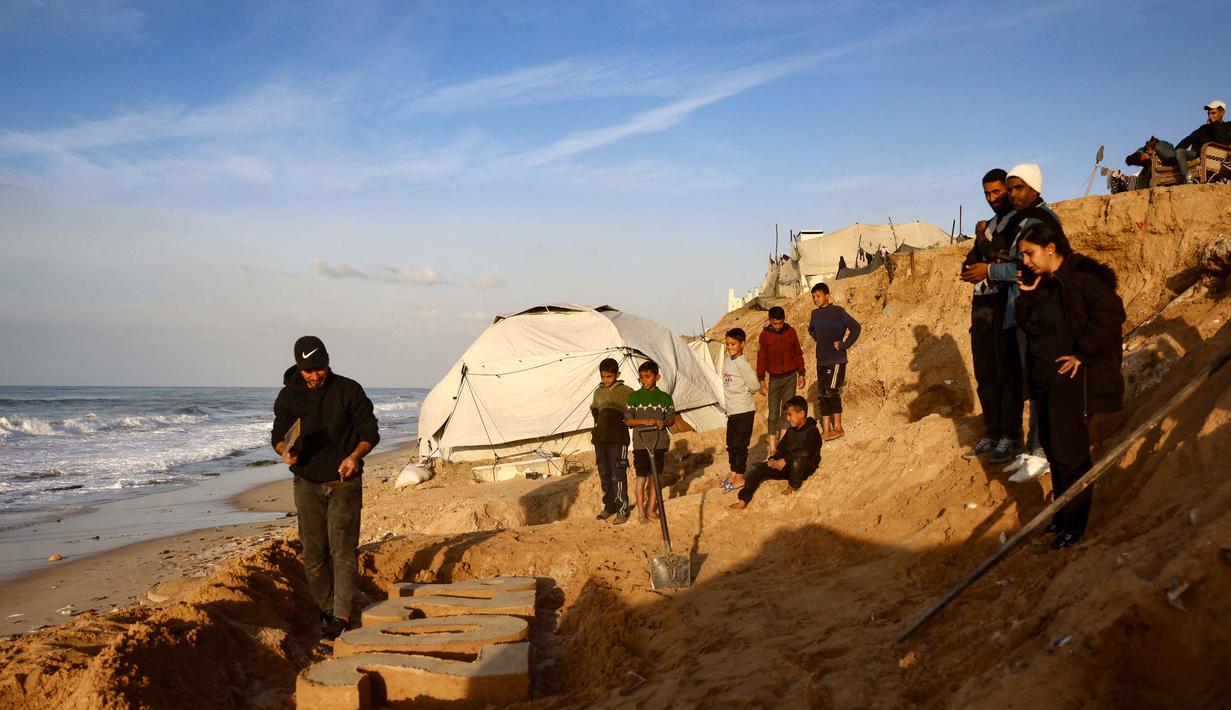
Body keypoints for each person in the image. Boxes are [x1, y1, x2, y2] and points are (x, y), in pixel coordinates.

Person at [1015, 223, 1126, 549]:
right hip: (1047, 382)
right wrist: (1026, 293)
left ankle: (1075, 526)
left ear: (1051, 248)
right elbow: (1030, 326)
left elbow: (1111, 314)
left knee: (1070, 454)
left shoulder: (1081, 278)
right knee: (1052, 447)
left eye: (1029, 252)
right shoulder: (1046, 285)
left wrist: (1081, 353)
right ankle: (1063, 515)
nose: (1026, 260)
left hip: (1074, 384)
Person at [271, 336, 379, 640]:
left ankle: (342, 616)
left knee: (343, 550)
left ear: (328, 361)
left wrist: (354, 456)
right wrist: (284, 450)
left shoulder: (348, 390)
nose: (316, 375)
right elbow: (279, 435)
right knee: (314, 552)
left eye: (320, 368)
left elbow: (370, 431)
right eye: (309, 370)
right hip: (306, 483)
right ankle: (327, 608)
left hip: (344, 481)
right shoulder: (288, 396)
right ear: (298, 367)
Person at [983, 163, 1060, 474]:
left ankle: (1043, 451)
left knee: (1042, 383)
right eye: (1010, 188)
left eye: (1018, 188)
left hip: (1038, 311)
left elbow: (1028, 268)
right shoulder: (1026, 221)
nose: (1012, 194)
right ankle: (1032, 447)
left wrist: (988, 270)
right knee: (1032, 381)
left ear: (1034, 189)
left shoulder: (1041, 221)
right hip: (1023, 311)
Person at [959, 169, 1024, 461]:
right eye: (987, 193)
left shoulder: (1017, 223)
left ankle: (1011, 436)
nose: (992, 198)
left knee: (1006, 373)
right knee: (986, 374)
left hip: (1003, 305)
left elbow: (1002, 259)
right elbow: (971, 261)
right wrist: (983, 248)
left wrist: (982, 240)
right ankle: (993, 431)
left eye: (996, 192)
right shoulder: (992, 224)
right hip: (981, 306)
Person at [729, 396, 821, 510]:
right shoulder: (791, 431)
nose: (787, 418)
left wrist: (785, 460)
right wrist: (773, 459)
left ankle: (792, 487)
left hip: (803, 467)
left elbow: (805, 452)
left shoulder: (812, 430)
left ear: (801, 413)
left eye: (790, 414)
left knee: (798, 461)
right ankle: (743, 501)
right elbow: (781, 450)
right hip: (788, 466)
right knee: (758, 469)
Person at [806, 282, 861, 441]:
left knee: (832, 391)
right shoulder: (815, 314)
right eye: (813, 297)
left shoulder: (838, 312)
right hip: (821, 360)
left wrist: (844, 344)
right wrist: (820, 340)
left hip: (836, 359)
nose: (815, 299)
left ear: (827, 296)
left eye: (818, 296)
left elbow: (856, 328)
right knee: (822, 394)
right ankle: (826, 430)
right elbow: (811, 330)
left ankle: (838, 427)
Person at [625, 360, 676, 524]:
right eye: (641, 378)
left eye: (647, 377)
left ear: (657, 377)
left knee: (655, 477)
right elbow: (628, 421)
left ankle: (651, 508)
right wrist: (646, 421)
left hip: (659, 443)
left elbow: (670, 420)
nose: (644, 380)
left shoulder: (665, 398)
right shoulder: (634, 397)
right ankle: (641, 512)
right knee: (641, 477)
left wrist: (663, 423)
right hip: (641, 444)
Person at [756, 305, 806, 456]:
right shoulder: (764, 336)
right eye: (774, 323)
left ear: (784, 320)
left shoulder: (791, 332)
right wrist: (761, 379)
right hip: (774, 379)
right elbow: (761, 358)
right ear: (769, 320)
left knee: (787, 412)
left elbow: (798, 353)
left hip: (791, 377)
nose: (778, 326)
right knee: (773, 414)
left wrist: (801, 373)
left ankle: (783, 446)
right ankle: (773, 448)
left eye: (780, 323)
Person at [590, 357, 634, 524]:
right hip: (601, 439)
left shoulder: (626, 391)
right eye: (603, 377)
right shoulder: (598, 392)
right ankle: (609, 506)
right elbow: (595, 411)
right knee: (605, 474)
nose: (606, 380)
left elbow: (632, 414)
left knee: (618, 474)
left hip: (618, 438)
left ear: (617, 374)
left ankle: (622, 509)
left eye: (609, 376)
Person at [719, 328, 759, 492]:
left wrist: (742, 395)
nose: (730, 347)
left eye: (733, 344)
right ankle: (734, 473)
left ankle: (740, 476)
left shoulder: (743, 364)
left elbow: (754, 386)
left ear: (742, 344)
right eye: (728, 344)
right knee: (731, 443)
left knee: (740, 444)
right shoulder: (728, 361)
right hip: (732, 411)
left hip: (744, 410)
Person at [1174, 100, 1231, 183]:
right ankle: (1186, 180)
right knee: (1179, 151)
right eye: (1208, 114)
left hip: (1217, 159)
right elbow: (1187, 140)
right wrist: (1175, 151)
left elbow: (1223, 141)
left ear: (1222, 113)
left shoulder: (1228, 126)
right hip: (1198, 155)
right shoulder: (1204, 128)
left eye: (1213, 113)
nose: (1210, 116)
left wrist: (1215, 123)